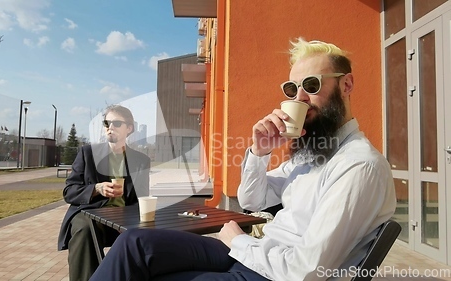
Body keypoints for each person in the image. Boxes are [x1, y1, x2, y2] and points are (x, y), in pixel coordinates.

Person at [88, 38, 396, 281]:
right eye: (292, 88)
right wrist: (261, 152)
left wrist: (238, 241)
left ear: (347, 84)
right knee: (135, 244)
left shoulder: (359, 166)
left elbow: (304, 272)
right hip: (256, 255)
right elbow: (254, 200)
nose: (299, 97)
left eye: (312, 85)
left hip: (271, 272)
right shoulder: (314, 152)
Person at [57, 104, 150, 281]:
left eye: (116, 123)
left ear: (129, 128)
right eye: (107, 123)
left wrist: (136, 221)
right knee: (85, 229)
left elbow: (142, 197)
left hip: (123, 217)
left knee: (146, 236)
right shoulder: (88, 154)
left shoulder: (140, 160)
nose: (110, 127)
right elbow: (69, 192)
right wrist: (96, 189)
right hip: (90, 213)